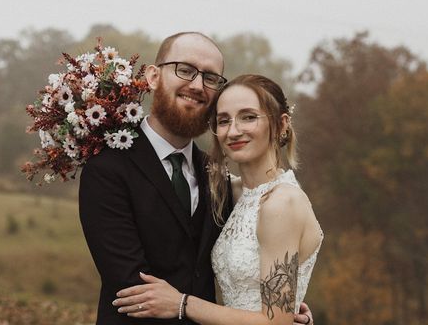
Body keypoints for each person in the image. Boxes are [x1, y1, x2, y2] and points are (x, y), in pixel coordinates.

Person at [79, 33, 313, 325]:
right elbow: (134, 290)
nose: (198, 85)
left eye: (211, 77)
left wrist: (284, 310)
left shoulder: (216, 175)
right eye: (185, 70)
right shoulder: (107, 169)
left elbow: (268, 298)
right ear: (153, 76)